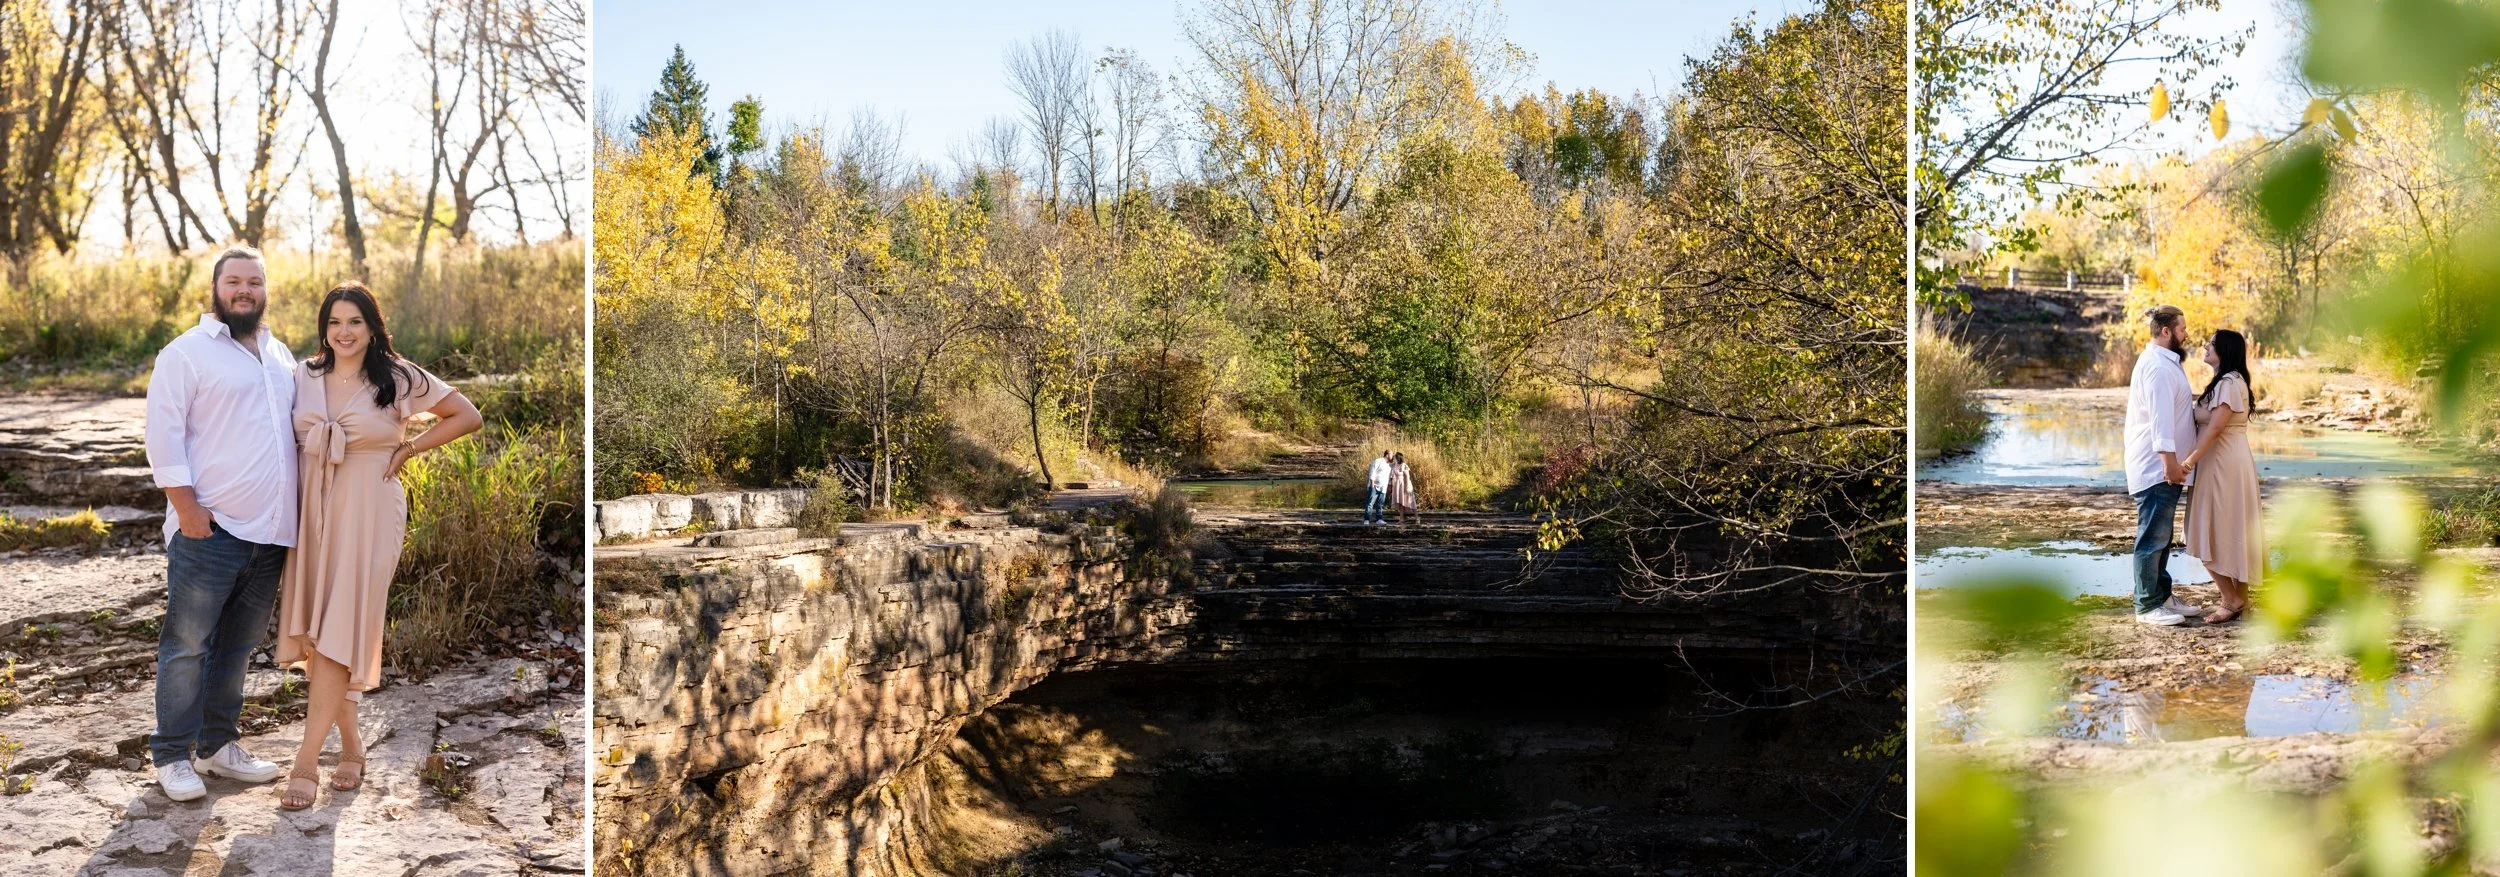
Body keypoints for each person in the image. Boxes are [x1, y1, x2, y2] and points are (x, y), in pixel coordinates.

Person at [274, 282, 483, 810]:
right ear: (324, 328)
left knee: (342, 624)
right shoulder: (304, 375)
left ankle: (305, 764)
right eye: (335, 322)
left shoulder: (399, 376)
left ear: (372, 327)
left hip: (369, 509)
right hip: (313, 514)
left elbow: (468, 416)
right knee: (322, 637)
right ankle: (351, 746)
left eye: (355, 323)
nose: (344, 333)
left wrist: (411, 447)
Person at [142, 246, 298, 801]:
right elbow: (163, 437)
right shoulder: (186, 353)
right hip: (211, 529)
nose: (244, 291)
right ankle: (172, 754)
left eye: (254, 282)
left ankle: (216, 747)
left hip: (271, 533)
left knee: (237, 648)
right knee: (188, 644)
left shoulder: (280, 355)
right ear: (215, 288)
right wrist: (187, 511)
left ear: (265, 290)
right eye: (234, 281)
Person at [2122, 305, 2206, 626]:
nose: (2187, 334)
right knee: (2151, 538)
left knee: (2162, 537)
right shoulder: (2157, 367)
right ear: (2167, 331)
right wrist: (2169, 464)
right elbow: (2160, 422)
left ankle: (2162, 596)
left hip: (2166, 469)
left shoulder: (2166, 363)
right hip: (2157, 468)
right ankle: (2146, 606)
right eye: (2182, 328)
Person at [2182, 329, 2262, 624]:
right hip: (2225, 461)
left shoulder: (2229, 383)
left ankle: (2231, 599)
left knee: (2210, 528)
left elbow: (2215, 428)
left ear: (2225, 351)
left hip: (2222, 465)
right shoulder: (2228, 382)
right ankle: (2241, 600)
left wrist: (2188, 462)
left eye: (2212, 343)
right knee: (2231, 528)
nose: (2205, 346)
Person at [1364, 450, 1394, 525]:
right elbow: (1372, 472)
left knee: (1380, 504)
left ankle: (1379, 519)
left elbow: (1389, 477)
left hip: (1383, 487)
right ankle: (1367, 519)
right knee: (1370, 503)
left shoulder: (1389, 466)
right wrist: (1372, 485)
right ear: (1387, 455)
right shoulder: (1378, 461)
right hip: (1374, 486)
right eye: (1392, 454)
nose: (1393, 456)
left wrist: (1389, 487)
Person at [1390, 452, 1420, 524]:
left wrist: (1407, 487)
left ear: (1398, 458)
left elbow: (1407, 477)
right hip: (1397, 486)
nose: (1393, 458)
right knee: (1400, 502)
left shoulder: (1403, 465)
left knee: (1411, 501)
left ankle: (1417, 518)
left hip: (1404, 484)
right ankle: (1401, 519)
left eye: (1394, 457)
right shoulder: (1394, 466)